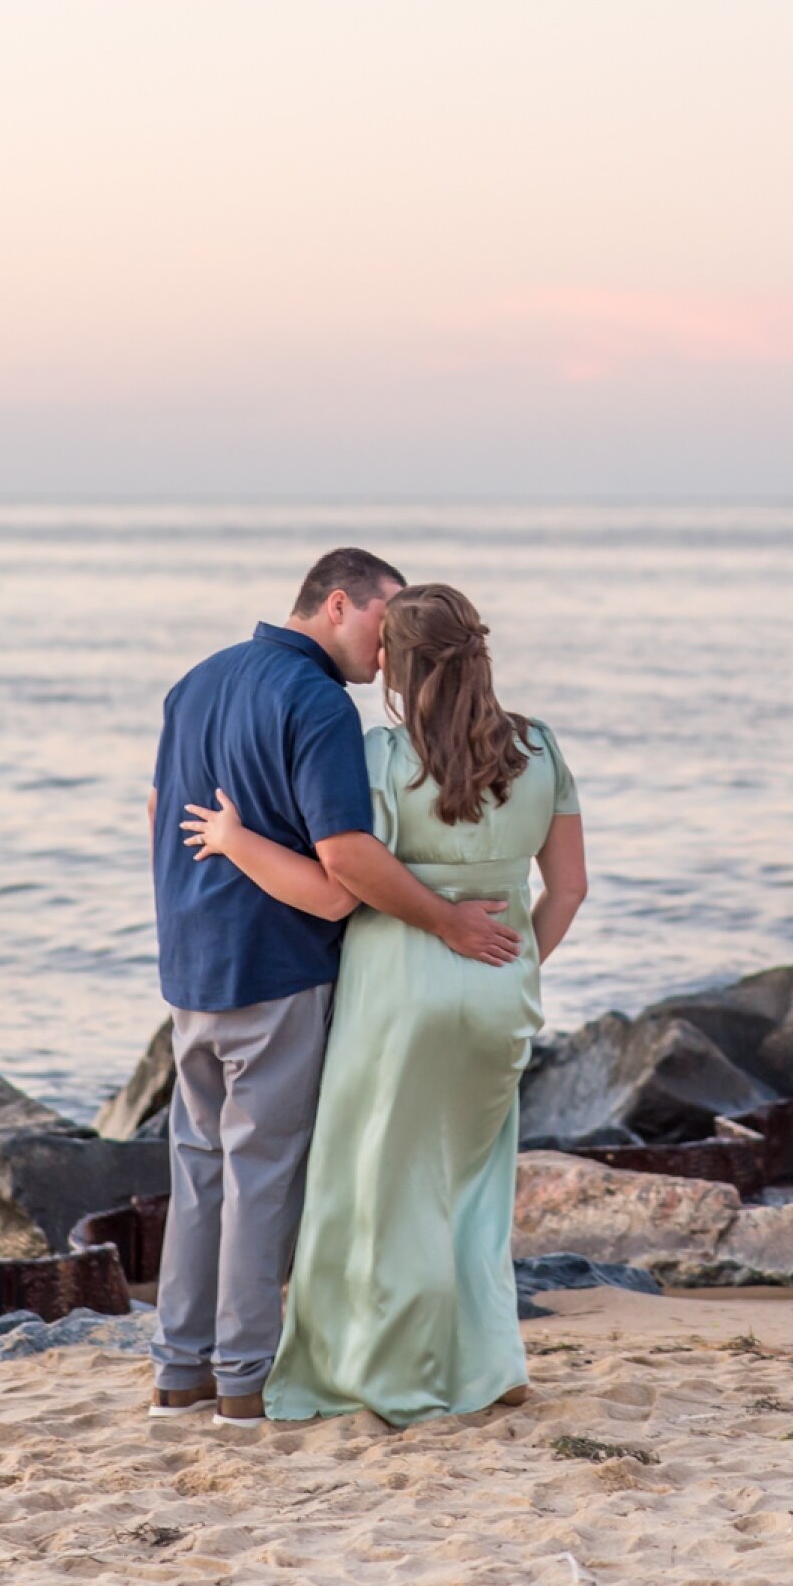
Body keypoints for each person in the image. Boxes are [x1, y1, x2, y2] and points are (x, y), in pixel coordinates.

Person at [181, 582, 587, 1427]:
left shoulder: (383, 756)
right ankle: (488, 1363)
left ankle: (363, 1370)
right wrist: (512, 971)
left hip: (397, 988)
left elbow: (346, 872)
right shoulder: (542, 748)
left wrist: (237, 841)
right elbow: (570, 888)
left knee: (365, 1186)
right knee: (472, 1187)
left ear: (397, 670)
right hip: (498, 988)